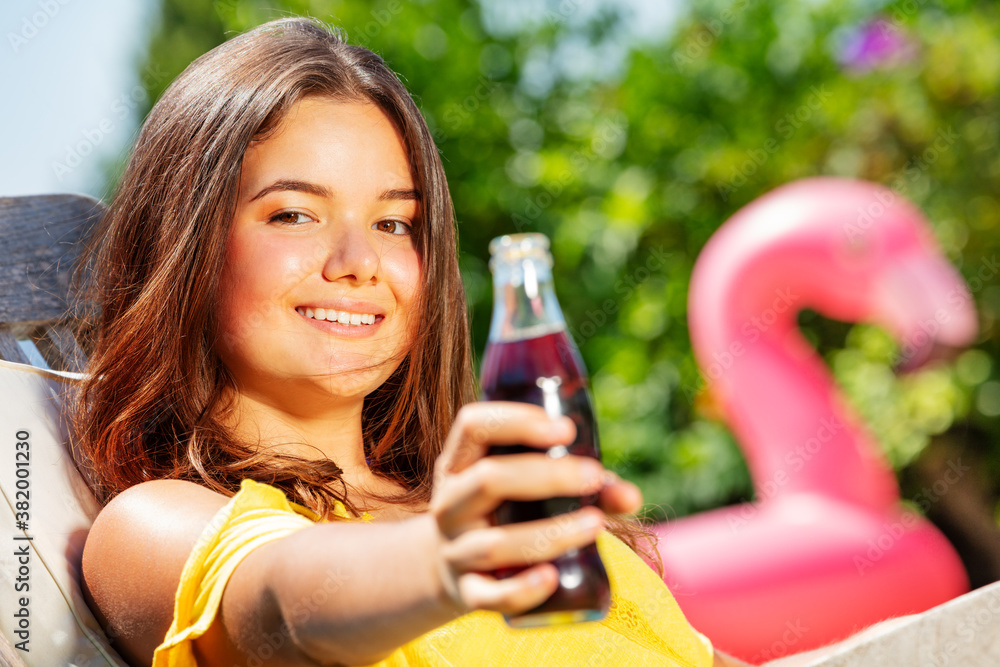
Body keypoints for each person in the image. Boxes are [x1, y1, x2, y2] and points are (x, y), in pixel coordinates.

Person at [74, 16, 812, 667]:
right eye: (295, 214)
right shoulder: (151, 529)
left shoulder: (491, 515)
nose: (358, 262)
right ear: (184, 242)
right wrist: (442, 560)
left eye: (395, 224)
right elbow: (281, 608)